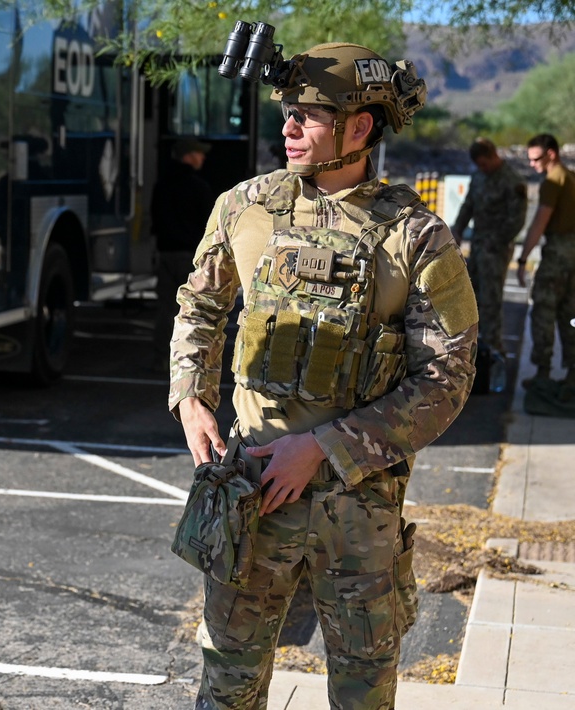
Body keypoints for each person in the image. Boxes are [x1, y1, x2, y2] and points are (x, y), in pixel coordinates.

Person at [170, 43, 477, 709]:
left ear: (360, 127)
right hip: (251, 497)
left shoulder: (418, 237)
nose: (288, 126)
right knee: (226, 687)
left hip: (356, 515)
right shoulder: (244, 207)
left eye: (308, 115)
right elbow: (199, 306)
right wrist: (192, 395)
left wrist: (321, 448)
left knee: (363, 692)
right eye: (288, 112)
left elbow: (446, 379)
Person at [451, 137, 527, 358]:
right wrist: (457, 229)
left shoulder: (512, 181)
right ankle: (471, 347)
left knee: (490, 300)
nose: (482, 168)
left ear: (494, 156)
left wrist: (496, 242)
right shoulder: (478, 177)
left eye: (484, 163)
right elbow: (469, 205)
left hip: (496, 249)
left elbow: (517, 220)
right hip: (478, 245)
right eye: (479, 165)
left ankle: (494, 350)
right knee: (470, 296)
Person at [515, 133, 575, 390]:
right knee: (570, 316)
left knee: (543, 311)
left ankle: (542, 373)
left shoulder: (553, 180)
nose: (532, 165)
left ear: (551, 154)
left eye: (536, 159)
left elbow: (540, 221)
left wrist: (523, 258)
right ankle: (572, 375)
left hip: (559, 254)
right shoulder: (570, 177)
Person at [150, 137, 214, 372]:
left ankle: (160, 359)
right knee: (193, 310)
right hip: (190, 257)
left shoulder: (162, 185)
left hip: (166, 254)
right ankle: (188, 362)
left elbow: (155, 218)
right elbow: (208, 226)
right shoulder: (199, 187)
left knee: (165, 309)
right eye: (198, 153)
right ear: (188, 155)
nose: (202, 157)